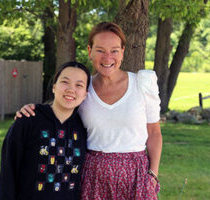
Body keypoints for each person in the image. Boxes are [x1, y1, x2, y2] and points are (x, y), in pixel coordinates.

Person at [15, 22, 162, 200]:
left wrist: (152, 176)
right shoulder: (83, 88)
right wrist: (34, 110)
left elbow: (154, 132)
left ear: (123, 52)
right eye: (100, 50)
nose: (107, 58)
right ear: (89, 51)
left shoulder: (142, 83)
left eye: (114, 50)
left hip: (135, 176)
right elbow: (58, 109)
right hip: (93, 176)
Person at [0, 61, 91, 200]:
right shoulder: (28, 119)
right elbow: (8, 170)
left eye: (79, 85)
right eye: (65, 82)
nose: (71, 89)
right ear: (54, 87)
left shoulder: (84, 128)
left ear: (85, 94)